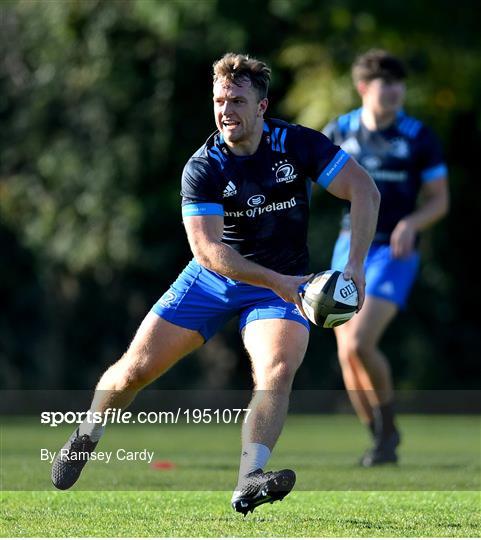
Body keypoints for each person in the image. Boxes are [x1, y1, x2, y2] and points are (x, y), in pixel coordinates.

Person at [51, 53, 380, 513]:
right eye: (220, 100)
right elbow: (209, 253)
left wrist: (356, 265)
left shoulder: (297, 144)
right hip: (214, 279)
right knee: (135, 371)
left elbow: (363, 189)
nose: (226, 110)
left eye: (237, 100)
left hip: (282, 283)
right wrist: (280, 281)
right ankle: (88, 431)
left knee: (277, 371)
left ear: (262, 107)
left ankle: (249, 479)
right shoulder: (203, 167)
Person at [323, 49, 449, 466]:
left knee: (360, 341)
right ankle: (380, 439)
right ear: (364, 88)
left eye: (399, 83)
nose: (395, 91)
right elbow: (303, 181)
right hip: (349, 246)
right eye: (385, 83)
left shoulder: (417, 136)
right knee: (345, 353)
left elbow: (439, 200)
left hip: (394, 252)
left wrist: (413, 222)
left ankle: (389, 428)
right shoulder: (339, 131)